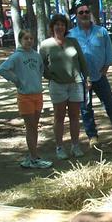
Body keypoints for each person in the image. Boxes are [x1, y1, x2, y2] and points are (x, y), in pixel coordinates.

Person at [69, 0, 112, 147]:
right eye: (81, 12)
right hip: (81, 79)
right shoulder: (70, 35)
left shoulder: (101, 31)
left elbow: (109, 52)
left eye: (86, 11)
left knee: (110, 104)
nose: (84, 14)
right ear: (76, 15)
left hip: (100, 76)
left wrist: (105, 68)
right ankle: (92, 136)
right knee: (85, 108)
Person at [0, 30, 53, 169]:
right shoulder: (17, 56)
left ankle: (33, 156)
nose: (29, 41)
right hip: (25, 96)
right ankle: (34, 158)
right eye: (26, 38)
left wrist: (36, 82)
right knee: (31, 127)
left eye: (31, 38)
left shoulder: (36, 56)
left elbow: (40, 70)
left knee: (35, 126)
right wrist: (16, 80)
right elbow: (2, 69)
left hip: (37, 95)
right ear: (20, 40)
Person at [39, 14, 90, 160]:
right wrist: (50, 76)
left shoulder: (73, 41)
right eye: (57, 24)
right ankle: (60, 147)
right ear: (52, 27)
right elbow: (41, 65)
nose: (60, 27)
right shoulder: (45, 45)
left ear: (66, 27)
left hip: (75, 83)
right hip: (57, 85)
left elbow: (82, 61)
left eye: (62, 24)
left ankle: (75, 145)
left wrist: (87, 78)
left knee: (75, 116)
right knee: (59, 117)